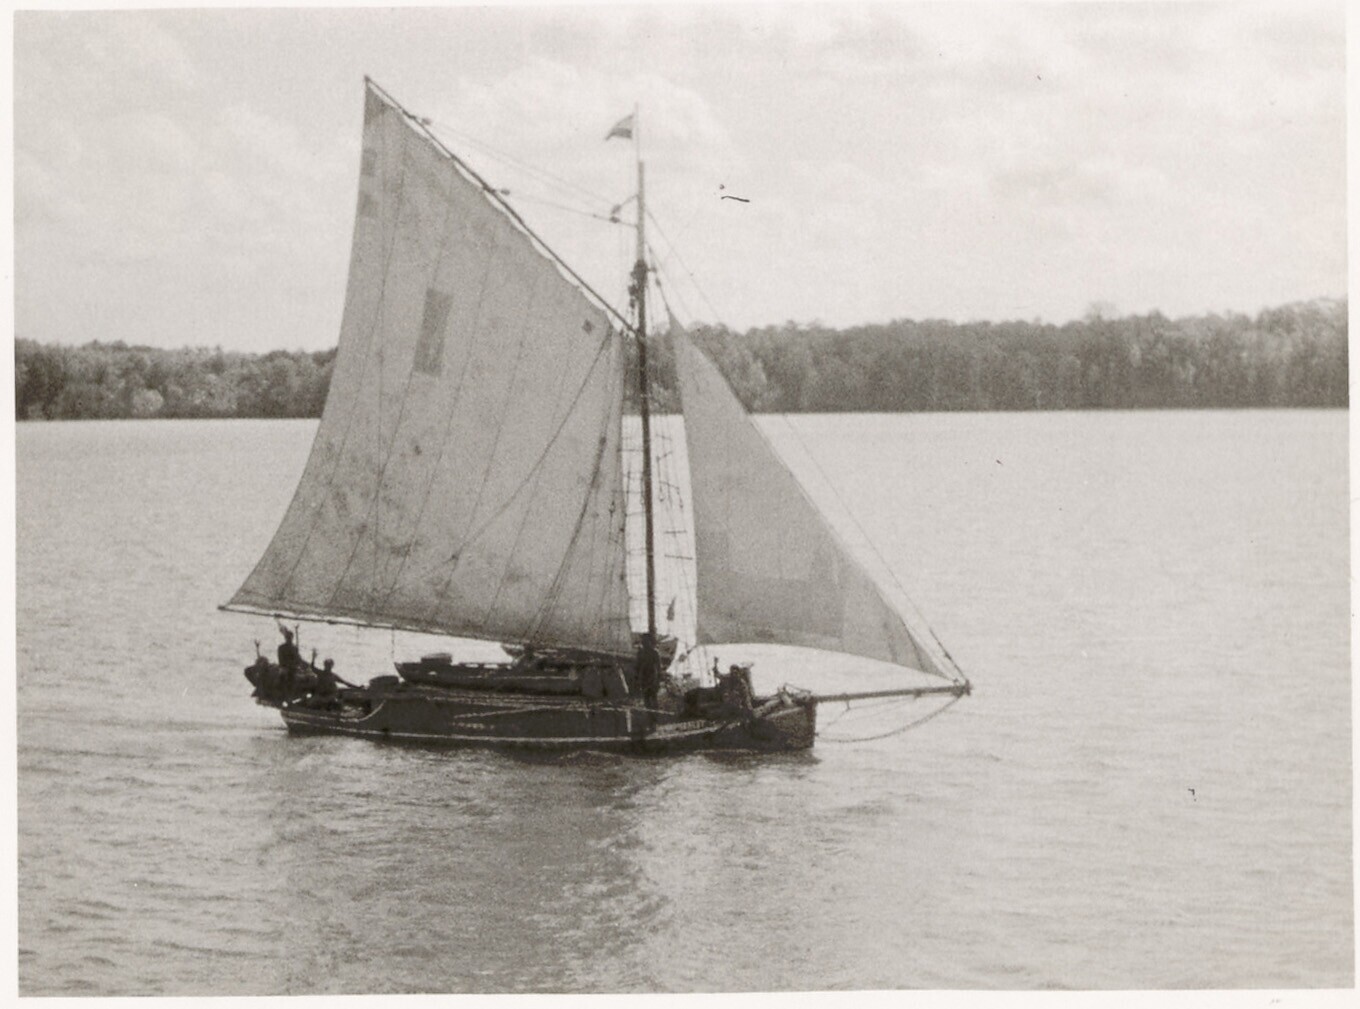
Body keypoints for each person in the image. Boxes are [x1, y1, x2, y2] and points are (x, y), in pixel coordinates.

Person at [636, 633, 662, 708]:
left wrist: (658, 680)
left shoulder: (655, 653)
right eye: (643, 641)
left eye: (646, 641)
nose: (644, 643)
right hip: (643, 676)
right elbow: (637, 666)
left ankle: (655, 712)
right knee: (646, 697)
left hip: (652, 676)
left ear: (650, 642)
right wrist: (637, 678)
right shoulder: (640, 653)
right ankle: (648, 712)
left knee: (653, 695)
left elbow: (659, 667)